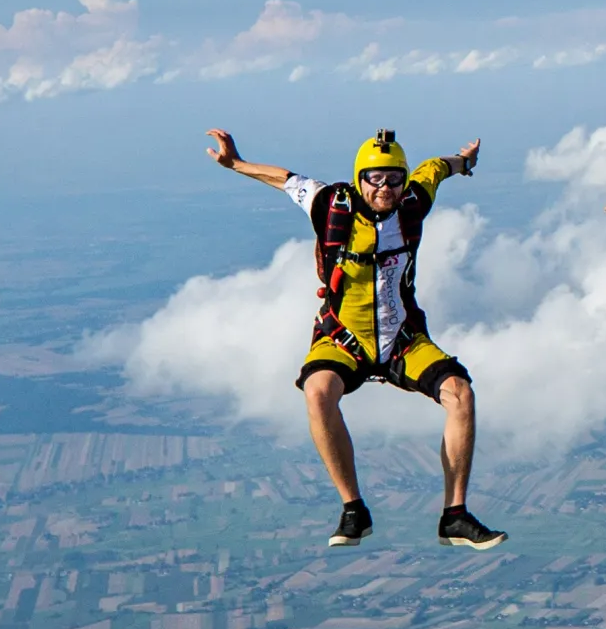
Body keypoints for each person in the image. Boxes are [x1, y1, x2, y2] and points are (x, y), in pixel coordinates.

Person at [207, 126, 506, 550]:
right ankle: (353, 509)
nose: (385, 188)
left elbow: (438, 168)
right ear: (359, 178)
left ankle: (454, 516)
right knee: (317, 392)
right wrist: (237, 164)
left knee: (460, 393)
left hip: (402, 337)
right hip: (344, 336)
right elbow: (285, 179)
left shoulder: (413, 200)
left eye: (394, 179)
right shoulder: (331, 204)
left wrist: (466, 163)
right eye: (375, 178)